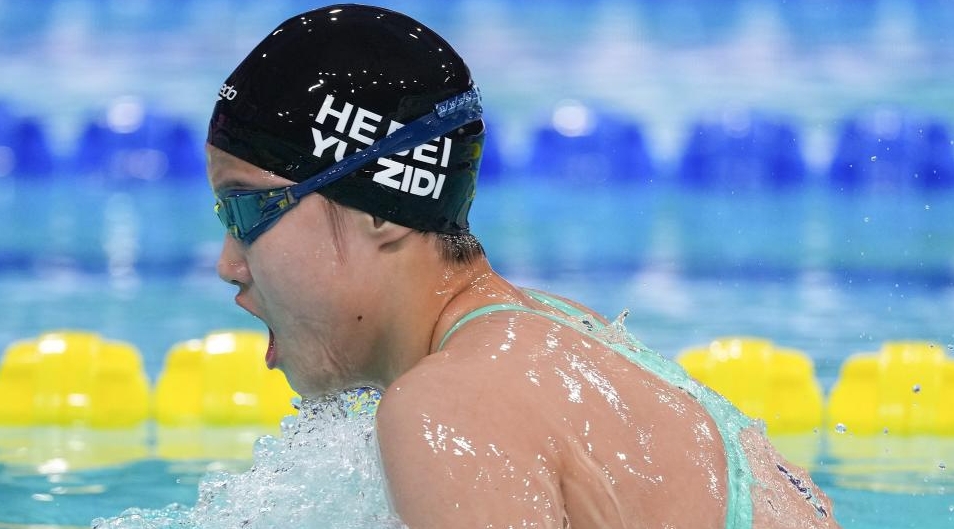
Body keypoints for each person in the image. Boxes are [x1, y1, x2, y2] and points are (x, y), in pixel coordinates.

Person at [206, 4, 840, 528]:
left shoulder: (449, 407)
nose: (228, 264)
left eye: (245, 210)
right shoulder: (557, 332)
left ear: (382, 208)